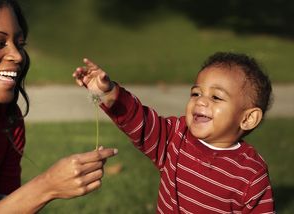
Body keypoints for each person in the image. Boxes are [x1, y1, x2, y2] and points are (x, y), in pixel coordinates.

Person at [73, 52, 275, 213]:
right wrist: (108, 92)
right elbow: (139, 121)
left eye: (216, 97)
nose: (200, 101)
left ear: (248, 119)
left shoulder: (250, 173)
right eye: (196, 93)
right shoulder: (175, 137)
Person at [0, 0, 118, 213]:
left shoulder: (9, 121)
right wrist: (46, 186)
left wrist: (44, 190)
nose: (17, 55)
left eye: (20, 44)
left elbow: (8, 204)